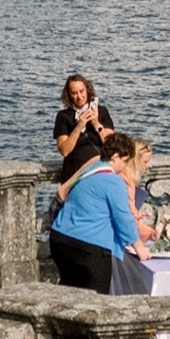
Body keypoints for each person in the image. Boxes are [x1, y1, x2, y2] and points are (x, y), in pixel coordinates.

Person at [49, 132, 151, 292]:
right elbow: (123, 219)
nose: (125, 166)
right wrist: (139, 248)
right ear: (115, 157)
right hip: (88, 248)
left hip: (60, 239)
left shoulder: (91, 169)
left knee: (69, 293)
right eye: (125, 161)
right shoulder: (114, 181)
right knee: (96, 298)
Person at [52, 73, 115, 183]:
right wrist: (79, 126)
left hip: (99, 171)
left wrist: (96, 124)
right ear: (69, 95)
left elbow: (112, 144)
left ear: (87, 90)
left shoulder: (101, 111)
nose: (79, 97)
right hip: (75, 172)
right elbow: (64, 150)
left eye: (81, 91)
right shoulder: (63, 116)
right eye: (74, 93)